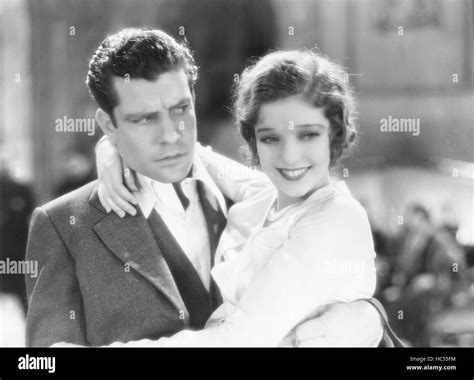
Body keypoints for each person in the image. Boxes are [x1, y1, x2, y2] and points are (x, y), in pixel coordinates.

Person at [92, 42, 385, 346]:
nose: (290, 156)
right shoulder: (266, 195)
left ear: (334, 134)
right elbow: (194, 155)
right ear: (253, 140)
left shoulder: (337, 218)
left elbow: (239, 340)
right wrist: (111, 148)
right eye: (271, 138)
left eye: (308, 134)